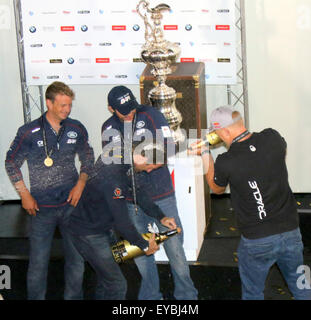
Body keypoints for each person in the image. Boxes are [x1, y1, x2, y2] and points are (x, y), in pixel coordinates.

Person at [189, 105, 311, 300]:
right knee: (302, 288)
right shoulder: (272, 137)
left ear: (226, 131)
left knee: (253, 294)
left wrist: (205, 154)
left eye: (218, 133)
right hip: (291, 233)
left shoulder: (226, 161)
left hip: (257, 241)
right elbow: (278, 147)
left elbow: (216, 188)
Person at [101, 85, 198, 300]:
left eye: (132, 109)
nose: (130, 114)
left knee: (175, 250)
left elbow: (171, 146)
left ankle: (187, 297)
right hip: (131, 199)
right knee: (142, 252)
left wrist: (151, 157)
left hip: (161, 194)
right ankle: (151, 298)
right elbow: (111, 163)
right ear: (111, 109)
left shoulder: (151, 114)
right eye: (124, 111)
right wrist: (132, 162)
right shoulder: (108, 127)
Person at [5, 81, 95, 300]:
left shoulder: (76, 128)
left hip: (71, 205)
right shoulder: (29, 132)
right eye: (63, 105)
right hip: (41, 208)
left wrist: (81, 183)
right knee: (38, 263)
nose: (67, 109)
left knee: (76, 260)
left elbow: (88, 157)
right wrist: (24, 194)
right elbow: (11, 162)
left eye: (69, 105)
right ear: (49, 103)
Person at [67, 151, 177, 300]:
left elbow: (139, 193)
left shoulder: (126, 161)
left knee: (106, 279)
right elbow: (122, 222)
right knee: (117, 284)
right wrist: (144, 246)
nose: (149, 170)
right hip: (88, 232)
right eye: (150, 166)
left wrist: (161, 217)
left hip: (103, 226)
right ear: (142, 157)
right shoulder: (114, 177)